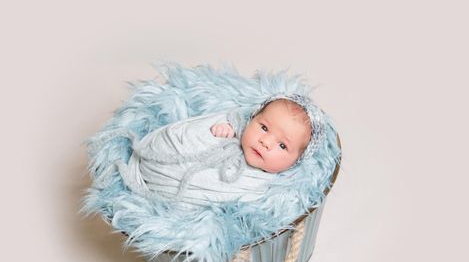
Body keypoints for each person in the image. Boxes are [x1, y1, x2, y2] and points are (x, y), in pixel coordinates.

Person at [113, 94, 325, 208]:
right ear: (252, 119)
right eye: (263, 127)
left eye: (282, 145)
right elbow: (198, 131)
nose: (266, 142)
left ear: (296, 161)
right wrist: (225, 129)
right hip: (170, 163)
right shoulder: (233, 127)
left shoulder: (272, 189)